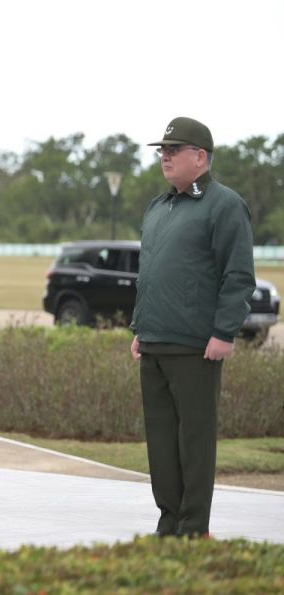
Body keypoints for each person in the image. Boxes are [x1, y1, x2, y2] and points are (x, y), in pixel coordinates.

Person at [130, 116, 256, 538]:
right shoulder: (157, 207)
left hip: (196, 345)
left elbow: (237, 275)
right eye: (162, 151)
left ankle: (193, 528)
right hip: (154, 341)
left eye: (174, 150)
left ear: (199, 157)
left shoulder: (224, 205)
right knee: (162, 443)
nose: (164, 157)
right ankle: (169, 524)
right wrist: (138, 328)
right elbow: (151, 273)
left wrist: (224, 332)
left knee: (194, 441)